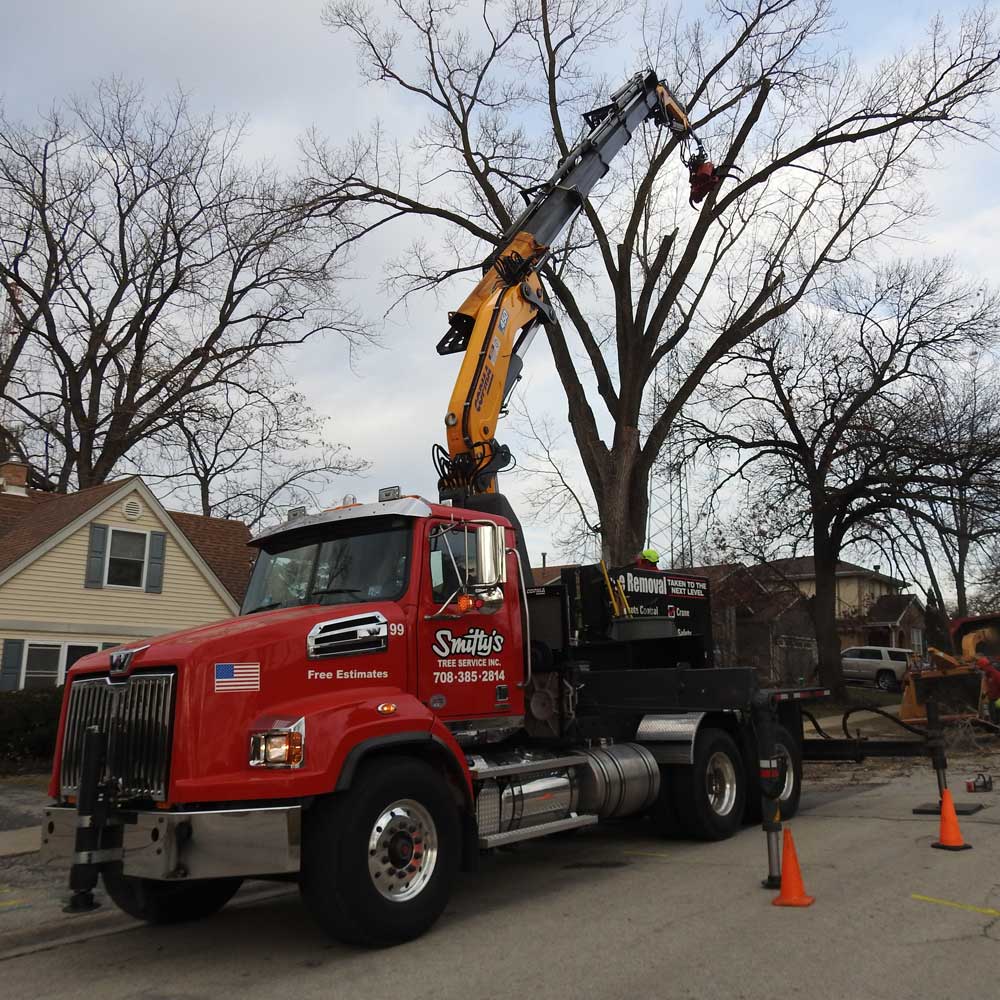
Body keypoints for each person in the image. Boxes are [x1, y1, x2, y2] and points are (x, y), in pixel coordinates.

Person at [975, 657, 1000, 724]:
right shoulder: (987, 676)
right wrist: (985, 693)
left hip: (998, 699)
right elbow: (989, 687)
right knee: (991, 713)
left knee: (996, 712)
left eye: (982, 668)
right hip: (992, 698)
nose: (982, 670)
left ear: (987, 666)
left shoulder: (996, 675)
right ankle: (995, 726)